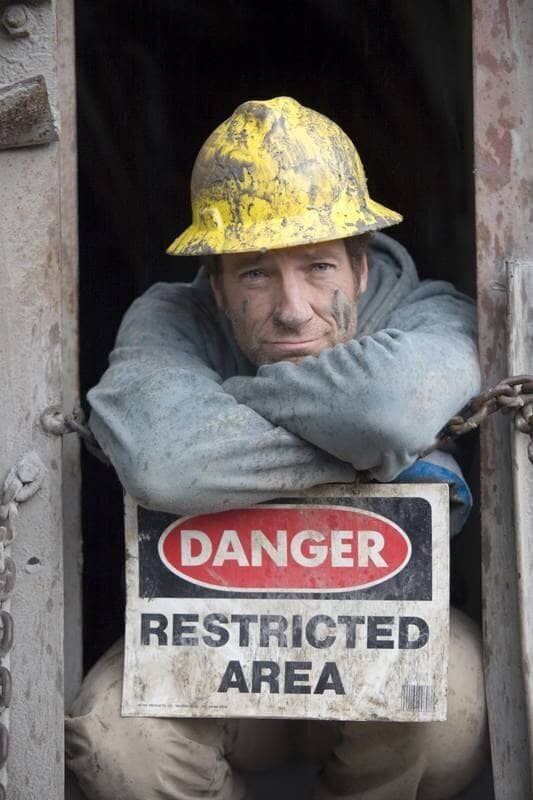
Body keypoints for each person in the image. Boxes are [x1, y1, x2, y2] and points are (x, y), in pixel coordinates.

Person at [66, 97, 487, 800]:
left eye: (317, 267)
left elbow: (383, 411)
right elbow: (164, 462)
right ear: (217, 281)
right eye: (257, 273)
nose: (292, 309)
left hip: (379, 649)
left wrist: (227, 405)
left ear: (360, 264)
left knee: (453, 705)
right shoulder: (170, 316)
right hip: (208, 654)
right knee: (118, 740)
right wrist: (365, 447)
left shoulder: (429, 312)